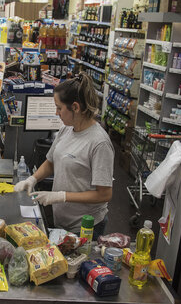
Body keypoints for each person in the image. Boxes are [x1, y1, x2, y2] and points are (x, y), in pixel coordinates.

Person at [14, 72, 114, 240]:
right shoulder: (66, 129)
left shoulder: (99, 143)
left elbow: (104, 194)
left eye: (59, 108)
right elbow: (51, 161)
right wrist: (32, 179)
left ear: (75, 107)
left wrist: (61, 196)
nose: (56, 113)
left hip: (85, 226)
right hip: (62, 220)